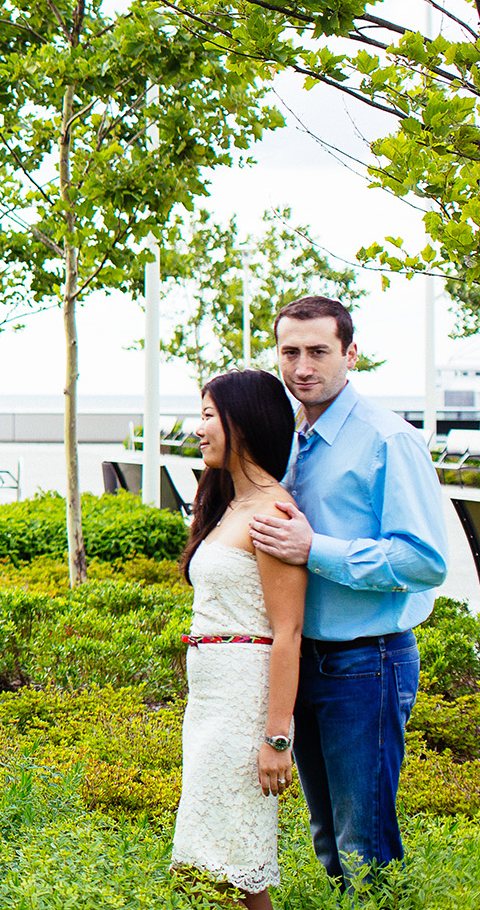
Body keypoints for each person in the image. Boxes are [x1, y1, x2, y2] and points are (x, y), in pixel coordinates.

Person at [248, 296, 448, 884]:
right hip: (302, 660)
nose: (302, 366)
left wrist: (317, 550)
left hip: (367, 661)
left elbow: (424, 561)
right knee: (328, 838)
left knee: (365, 844)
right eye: (290, 352)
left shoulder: (388, 440)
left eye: (318, 352)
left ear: (350, 353)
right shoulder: (290, 439)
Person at [170, 369, 309, 906]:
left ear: (243, 423)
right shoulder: (229, 502)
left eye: (208, 415)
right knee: (215, 859)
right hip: (210, 698)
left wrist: (277, 739)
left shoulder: (273, 512)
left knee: (231, 860)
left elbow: (288, 633)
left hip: (244, 703)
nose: (198, 428)